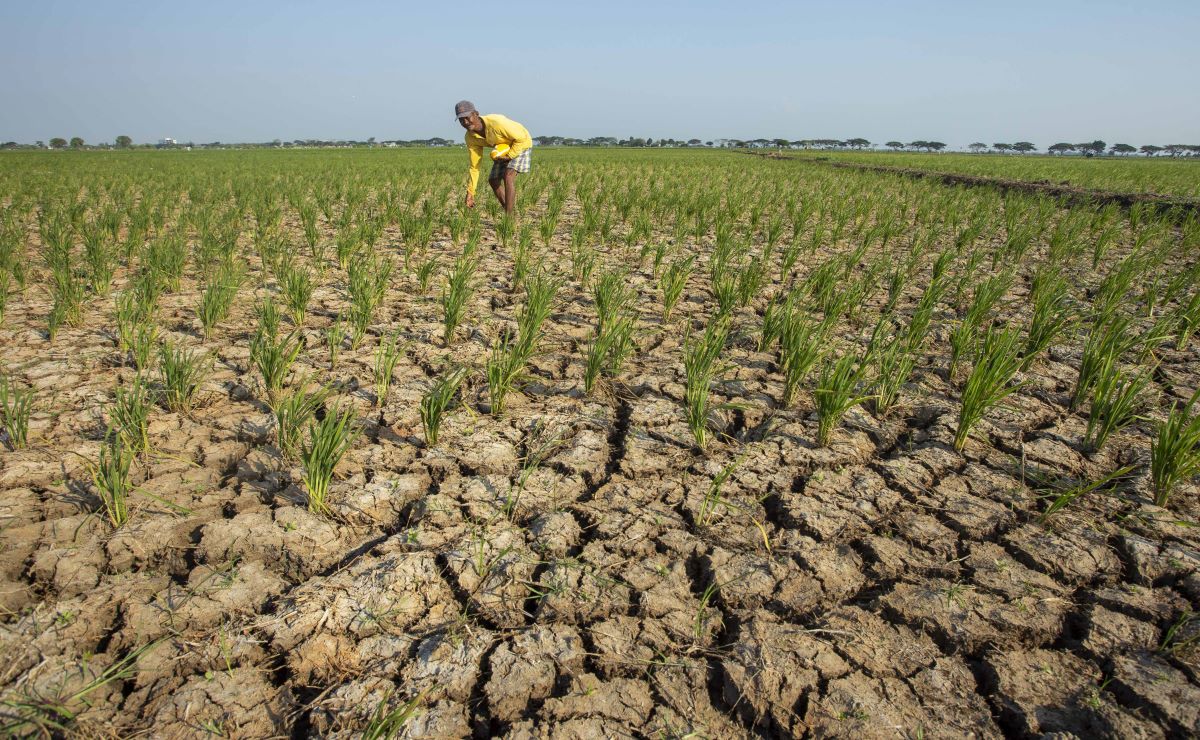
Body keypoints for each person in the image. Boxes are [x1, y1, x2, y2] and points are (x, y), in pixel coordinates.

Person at [455, 100, 532, 215]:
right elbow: (474, 166)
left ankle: (508, 218)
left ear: (476, 114)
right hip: (503, 148)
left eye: (467, 117)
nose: (465, 122)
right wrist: (471, 192)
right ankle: (509, 211)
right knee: (493, 180)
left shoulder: (497, 123)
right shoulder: (470, 138)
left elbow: (521, 138)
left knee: (508, 176)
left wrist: (510, 155)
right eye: (461, 120)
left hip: (521, 144)